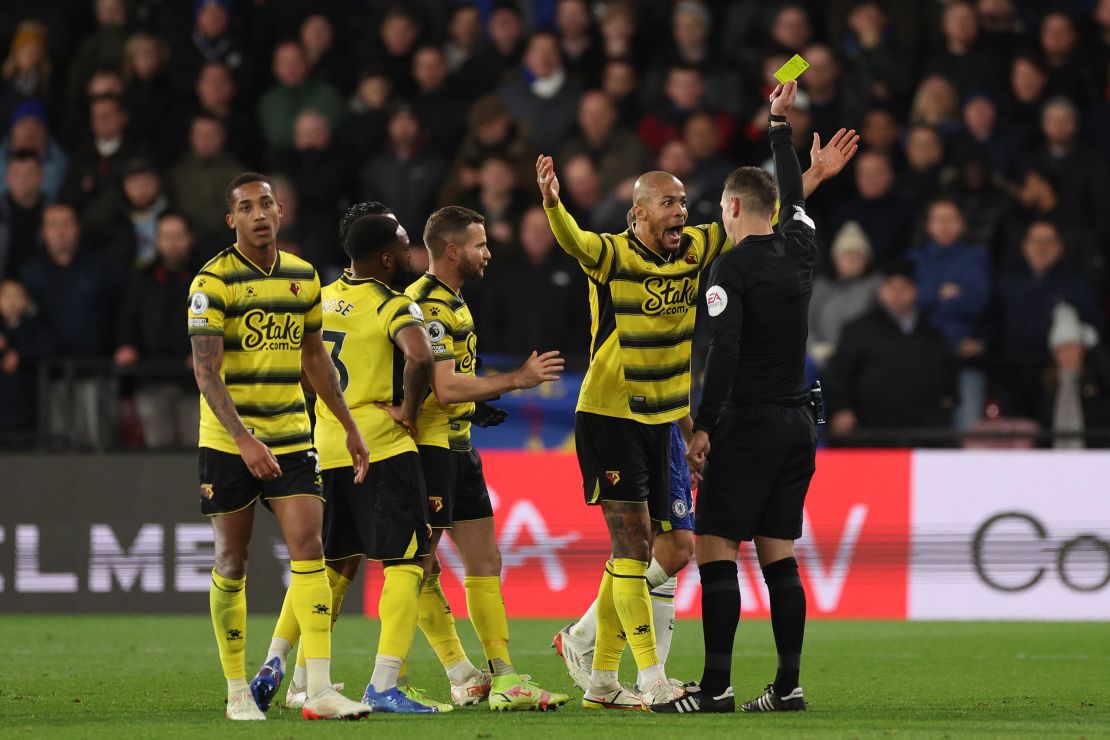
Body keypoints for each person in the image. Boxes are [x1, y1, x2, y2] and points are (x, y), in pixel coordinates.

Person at [537, 119, 856, 710]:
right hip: (610, 415)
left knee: (678, 548)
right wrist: (555, 205)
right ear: (638, 213)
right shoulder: (611, 255)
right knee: (633, 548)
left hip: (666, 420)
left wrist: (811, 176)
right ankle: (644, 677)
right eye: (668, 202)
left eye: (685, 201)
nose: (682, 210)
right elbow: (575, 242)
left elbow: (761, 218)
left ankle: (587, 646)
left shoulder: (704, 249)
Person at [652, 80, 818, 714]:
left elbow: (722, 354)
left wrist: (704, 427)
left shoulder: (732, 268)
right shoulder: (801, 247)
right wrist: (780, 126)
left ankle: (716, 686)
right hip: (798, 422)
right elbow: (796, 193)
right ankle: (788, 684)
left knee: (718, 547)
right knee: (779, 554)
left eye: (721, 210)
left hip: (747, 423)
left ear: (731, 207)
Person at [186, 172, 371, 721]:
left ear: (280, 210)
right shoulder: (211, 282)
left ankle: (317, 689)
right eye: (246, 207)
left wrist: (348, 423)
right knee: (232, 560)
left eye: (266, 203)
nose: (259, 214)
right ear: (232, 220)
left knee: (310, 547)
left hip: (293, 435)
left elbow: (315, 358)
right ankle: (238, 689)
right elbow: (206, 370)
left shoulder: (303, 276)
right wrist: (243, 441)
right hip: (228, 442)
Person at [251, 213, 441, 714]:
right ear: (384, 258)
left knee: (331, 564)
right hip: (380, 445)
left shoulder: (321, 297)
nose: (410, 254)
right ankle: (383, 684)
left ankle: (275, 658)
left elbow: (300, 361)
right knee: (407, 562)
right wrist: (408, 409)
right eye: (404, 246)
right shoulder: (393, 303)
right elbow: (420, 358)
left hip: (326, 443)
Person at [404, 205, 570, 711]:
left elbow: (451, 390)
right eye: (479, 244)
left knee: (485, 561)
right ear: (452, 250)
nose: (488, 252)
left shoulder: (454, 301)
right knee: (419, 567)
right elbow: (446, 385)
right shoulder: (427, 306)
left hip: (458, 449)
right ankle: (457, 672)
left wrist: (476, 406)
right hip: (428, 454)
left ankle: (502, 676)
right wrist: (514, 380)